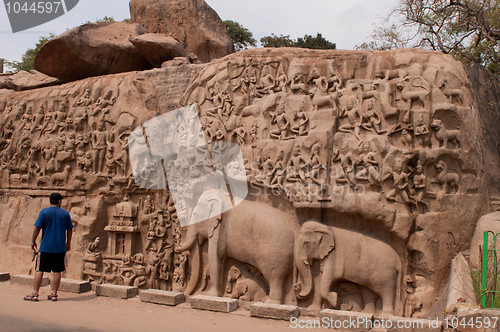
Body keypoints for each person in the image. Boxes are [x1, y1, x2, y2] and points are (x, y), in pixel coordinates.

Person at [24, 193, 73, 302]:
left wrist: (33, 241)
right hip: (60, 247)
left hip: (45, 246)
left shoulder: (44, 212)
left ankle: (35, 293)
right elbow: (70, 229)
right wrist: (68, 242)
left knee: (40, 269)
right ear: (59, 201)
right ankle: (54, 294)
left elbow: (37, 228)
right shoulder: (65, 214)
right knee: (57, 271)